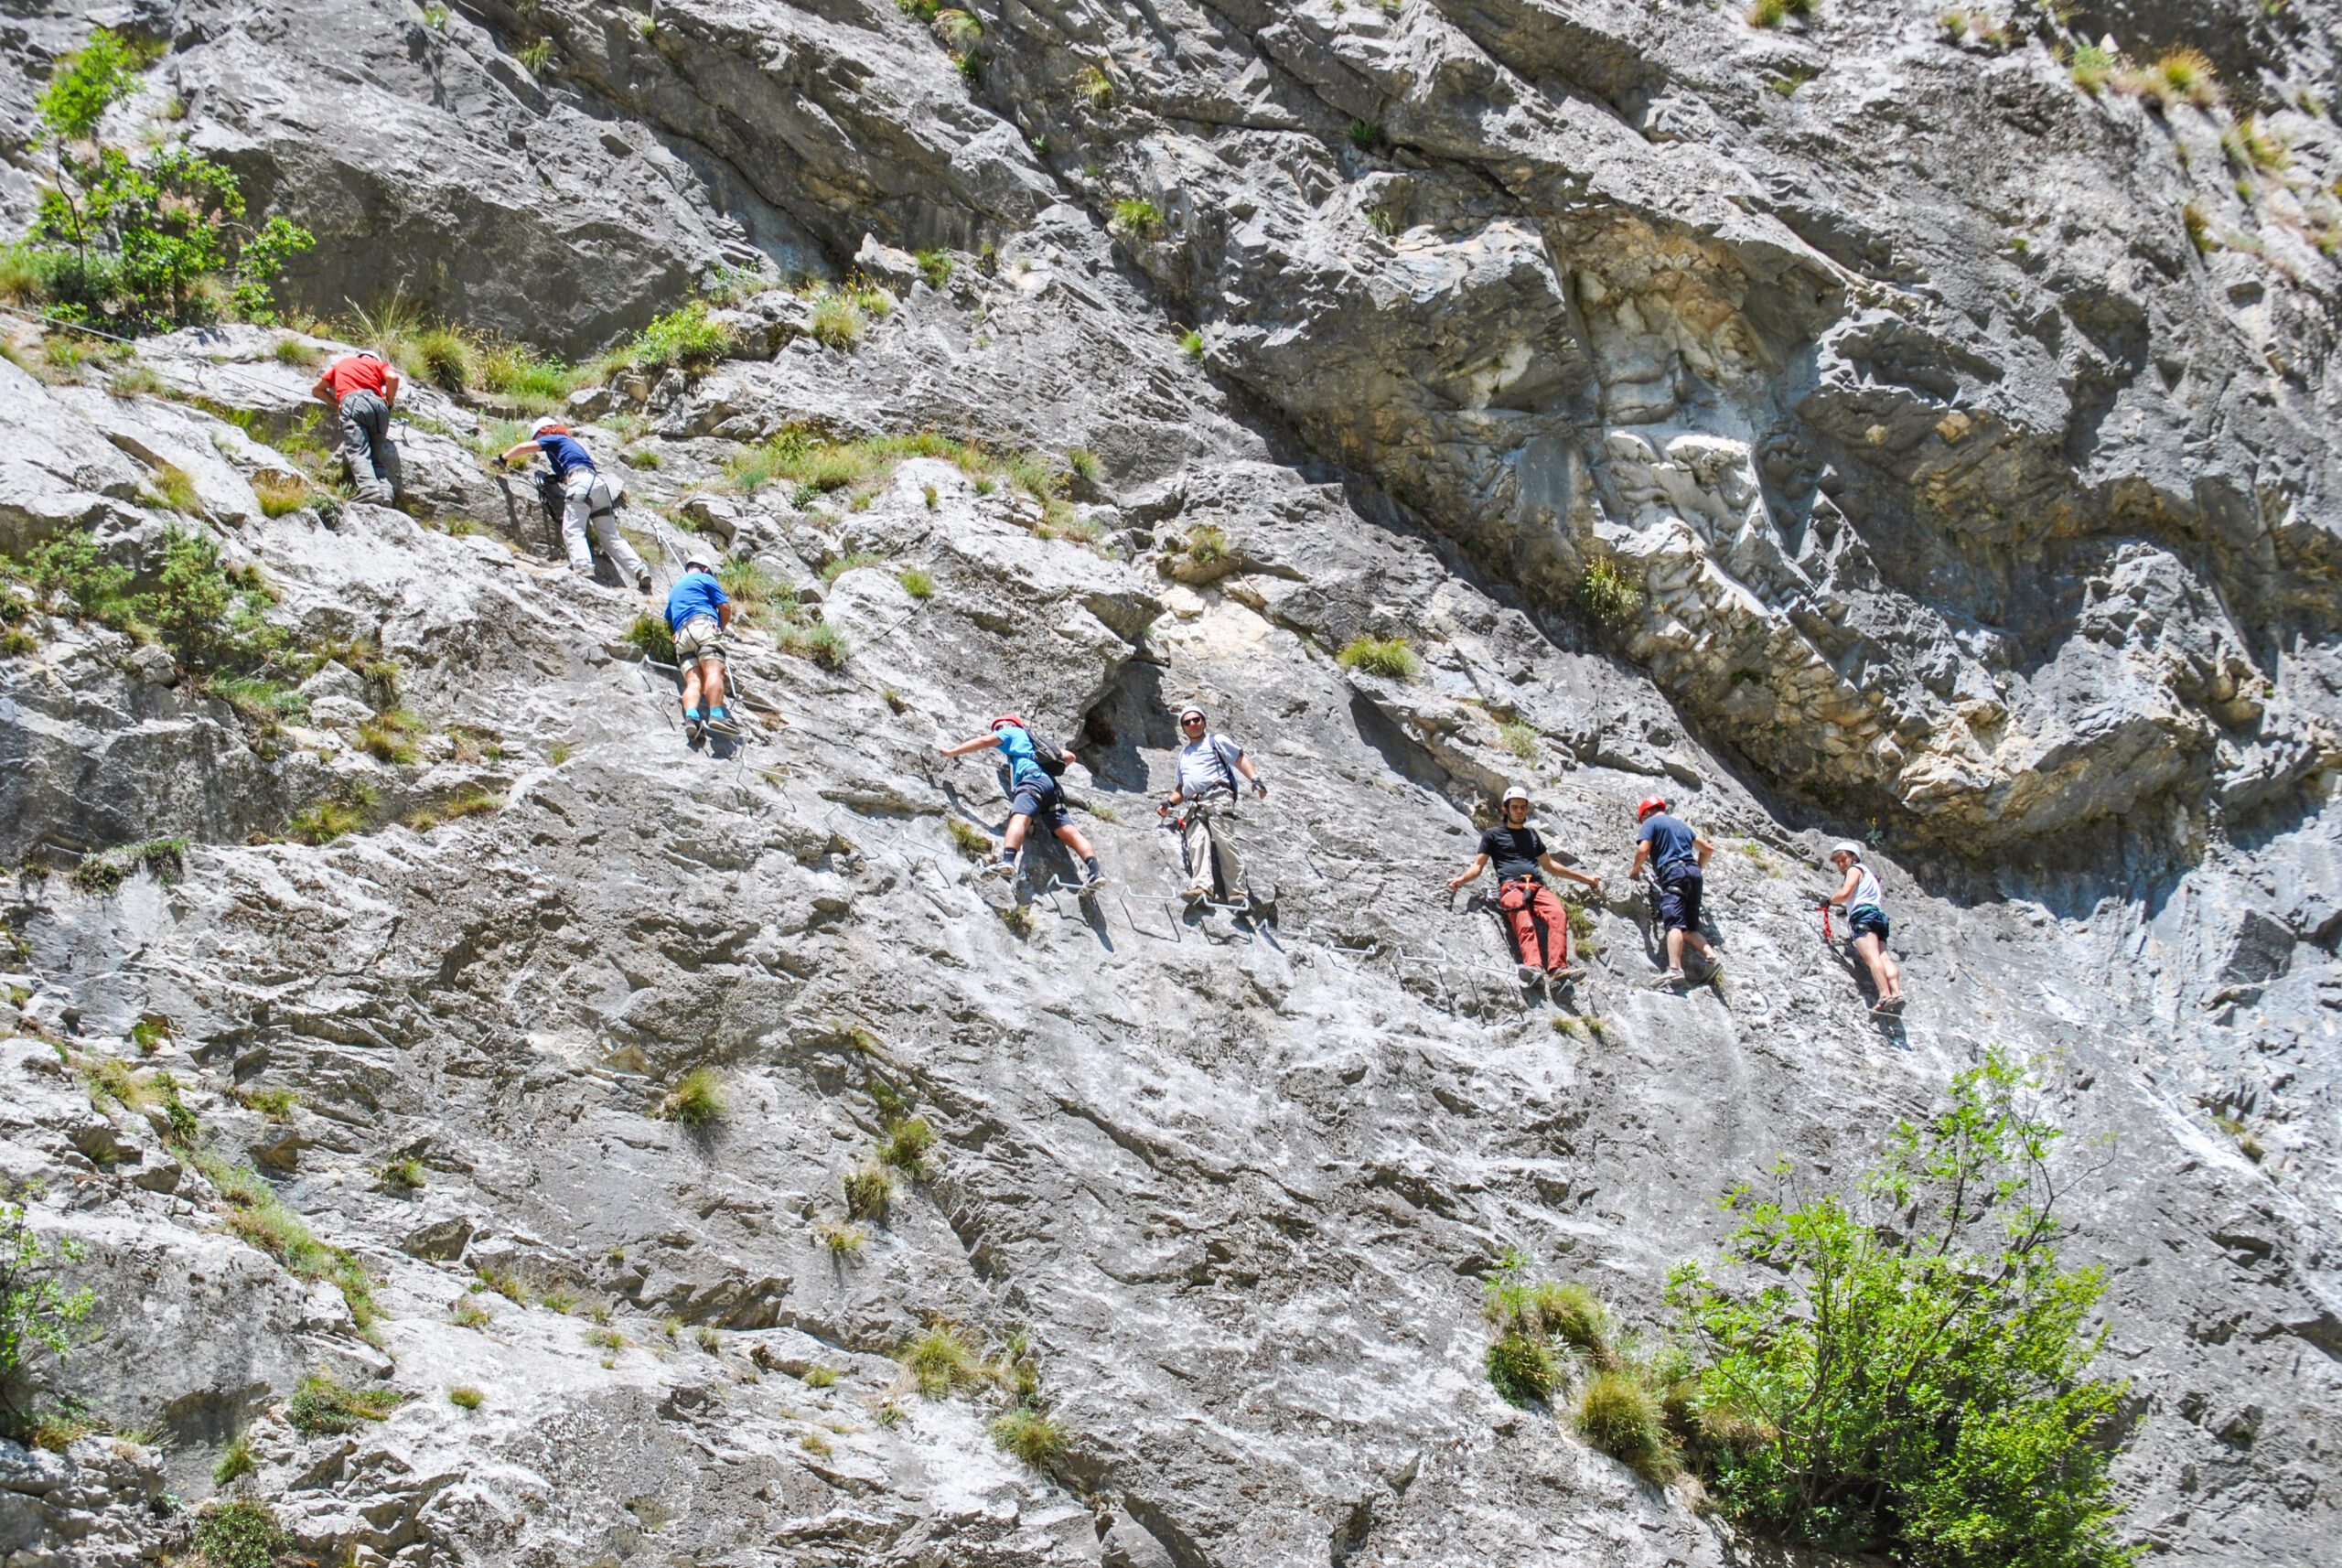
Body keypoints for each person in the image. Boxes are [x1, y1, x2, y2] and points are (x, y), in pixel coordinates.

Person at [1445, 785, 1603, 983]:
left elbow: (1550, 866)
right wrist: (1461, 879)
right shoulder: (1493, 835)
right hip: (1511, 886)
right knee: (1524, 921)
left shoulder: (1532, 836)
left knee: (1558, 914)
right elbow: (1478, 866)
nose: (1520, 811)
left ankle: (1557, 970)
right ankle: (1534, 967)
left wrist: (1585, 879)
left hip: (1537, 886)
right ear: (1505, 809)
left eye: (1523, 807)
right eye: (1515, 807)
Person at [938, 715, 1103, 889]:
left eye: (998, 727)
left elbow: (985, 741)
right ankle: (1095, 873)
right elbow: (1069, 757)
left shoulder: (1012, 731)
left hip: (1032, 781)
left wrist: (952, 752)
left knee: (1019, 819)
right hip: (1052, 787)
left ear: (1009, 725)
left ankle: (1007, 861)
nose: (997, 731)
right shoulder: (1035, 743)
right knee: (1069, 832)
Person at [495, 419, 650, 593]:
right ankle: (640, 570)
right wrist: (560, 478)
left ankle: (583, 567)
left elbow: (524, 447)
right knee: (610, 536)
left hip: (581, 482)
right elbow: (573, 466)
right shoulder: (571, 445)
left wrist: (503, 458)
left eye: (537, 436)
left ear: (545, 431)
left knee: (573, 529)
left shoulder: (554, 439)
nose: (537, 439)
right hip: (598, 485)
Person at [1158, 704, 1267, 908]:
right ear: (1183, 728)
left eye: (1196, 719)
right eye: (1187, 722)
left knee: (1224, 840)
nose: (1193, 724)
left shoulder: (1216, 741)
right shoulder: (1184, 754)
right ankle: (1202, 887)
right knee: (1196, 842)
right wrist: (1168, 802)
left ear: (1204, 721)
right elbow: (1182, 787)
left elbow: (1240, 758)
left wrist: (1255, 779)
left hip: (1218, 796)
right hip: (1194, 803)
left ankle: (1238, 892)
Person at [1629, 796, 1717, 987]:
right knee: (1688, 929)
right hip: (1693, 874)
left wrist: (1635, 870)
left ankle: (1674, 970)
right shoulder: (1681, 825)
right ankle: (1711, 956)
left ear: (1646, 812)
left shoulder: (1651, 822)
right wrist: (1699, 869)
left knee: (1674, 924)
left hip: (1673, 873)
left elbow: (1643, 849)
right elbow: (1708, 849)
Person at [309, 349, 402, 506]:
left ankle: (370, 489)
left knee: (358, 451)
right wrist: (389, 402)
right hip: (379, 407)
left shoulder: (343, 364)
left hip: (353, 401)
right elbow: (393, 378)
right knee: (376, 458)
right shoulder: (377, 365)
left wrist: (339, 403)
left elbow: (317, 389)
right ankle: (385, 492)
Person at [1822, 841, 1905, 1013]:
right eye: (1837, 862)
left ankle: (1884, 995)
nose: (1840, 864)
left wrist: (1829, 902)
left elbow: (1845, 893)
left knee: (1872, 957)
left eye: (1843, 859)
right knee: (1884, 957)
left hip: (1863, 917)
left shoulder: (1854, 869)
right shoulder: (1870, 876)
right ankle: (1897, 993)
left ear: (1854, 857)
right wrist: (1848, 910)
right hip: (1878, 916)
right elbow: (1862, 897)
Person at [664, 552, 736, 741]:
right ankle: (716, 715)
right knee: (713, 671)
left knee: (694, 681)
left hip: (681, 636)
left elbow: (668, 620)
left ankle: (692, 718)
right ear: (705, 569)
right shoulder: (705, 578)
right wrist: (719, 627)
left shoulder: (675, 589)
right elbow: (725, 608)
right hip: (703, 625)